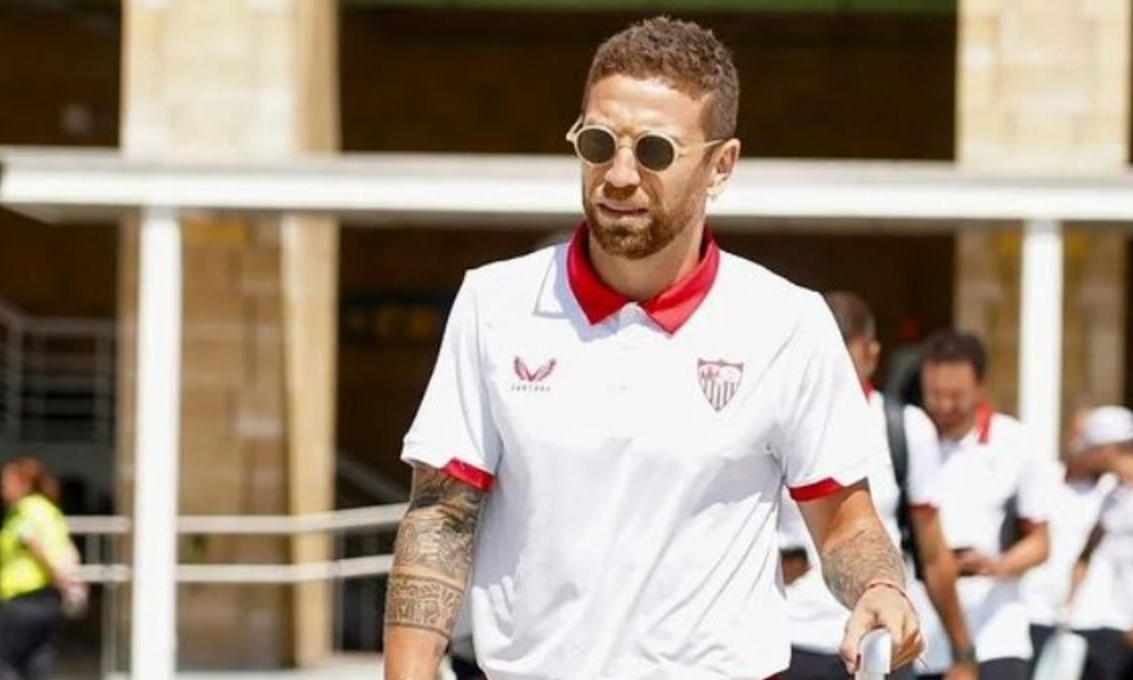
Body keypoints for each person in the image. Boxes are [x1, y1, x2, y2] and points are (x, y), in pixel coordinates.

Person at [383, 17, 922, 680]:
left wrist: (880, 587)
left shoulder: (788, 323)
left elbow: (844, 522)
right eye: (598, 143)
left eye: (655, 152)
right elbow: (440, 517)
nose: (618, 175)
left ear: (721, 165)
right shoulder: (493, 304)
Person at [779, 292, 976, 680]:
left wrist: (962, 649)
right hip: (790, 642)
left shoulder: (906, 428)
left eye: (844, 363)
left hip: (879, 644)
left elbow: (933, 551)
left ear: (872, 354)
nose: (832, 377)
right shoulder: (778, 420)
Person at [915, 331, 1052, 680]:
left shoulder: (1016, 443)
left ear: (980, 386)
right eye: (935, 394)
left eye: (956, 396)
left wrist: (997, 565)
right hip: (923, 641)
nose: (944, 405)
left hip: (995, 634)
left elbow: (1040, 542)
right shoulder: (911, 440)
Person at [1020, 406, 1120, 671]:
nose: (1083, 446)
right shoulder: (1044, 480)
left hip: (1096, 619)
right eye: (1080, 438)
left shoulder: (1116, 490)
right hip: (1038, 612)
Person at [0, 457, 85, 680]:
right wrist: (74, 584)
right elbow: (68, 549)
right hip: (49, 601)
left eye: (6, 484)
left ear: (23, 485)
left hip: (23, 599)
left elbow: (34, 543)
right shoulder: (50, 510)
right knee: (37, 663)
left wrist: (60, 579)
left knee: (6, 664)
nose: (1, 490)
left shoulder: (24, 510)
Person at [1062, 406, 1133, 680]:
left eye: (1089, 448)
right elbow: (1088, 552)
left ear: (1106, 450)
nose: (1084, 455)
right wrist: (1068, 609)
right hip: (1107, 625)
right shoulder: (1112, 494)